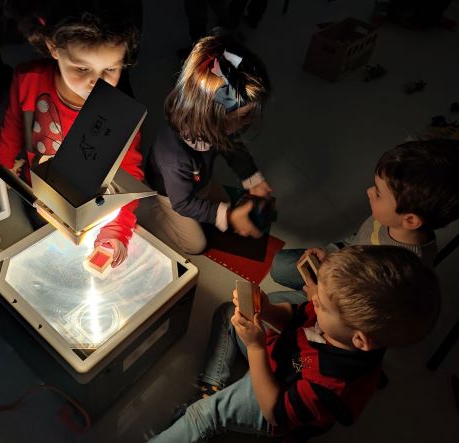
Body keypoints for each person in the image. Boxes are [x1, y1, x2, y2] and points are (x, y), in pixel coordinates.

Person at [149, 245, 441, 442]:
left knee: (202, 415)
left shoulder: (333, 384)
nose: (312, 299)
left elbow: (274, 411)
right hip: (281, 358)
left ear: (360, 340)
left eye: (322, 304)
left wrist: (256, 348)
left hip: (279, 401)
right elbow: (298, 314)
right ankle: (212, 387)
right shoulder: (342, 326)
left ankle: (207, 405)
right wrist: (266, 309)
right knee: (229, 313)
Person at [0, 1, 142, 267]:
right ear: (53, 47)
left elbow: (128, 174)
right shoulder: (27, 79)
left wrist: (116, 230)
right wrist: (4, 164)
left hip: (92, 204)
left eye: (110, 69)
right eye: (82, 68)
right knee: (49, 244)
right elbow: (14, 125)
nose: (97, 82)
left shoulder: (120, 113)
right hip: (39, 195)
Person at [270, 139, 459, 304]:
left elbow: (356, 311)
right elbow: (356, 242)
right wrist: (330, 255)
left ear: (410, 220)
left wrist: (318, 298)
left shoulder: (398, 273)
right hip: (340, 264)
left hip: (339, 300)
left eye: (378, 193)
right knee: (278, 265)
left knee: (268, 305)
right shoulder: (392, 217)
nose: (369, 191)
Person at [145, 35, 273, 254]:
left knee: (223, 203)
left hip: (198, 181)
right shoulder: (174, 157)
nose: (249, 121)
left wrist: (253, 180)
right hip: (170, 194)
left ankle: (209, 202)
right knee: (196, 245)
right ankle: (155, 215)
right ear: (212, 117)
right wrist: (229, 216)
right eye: (244, 115)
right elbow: (183, 203)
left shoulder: (216, 125)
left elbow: (233, 150)